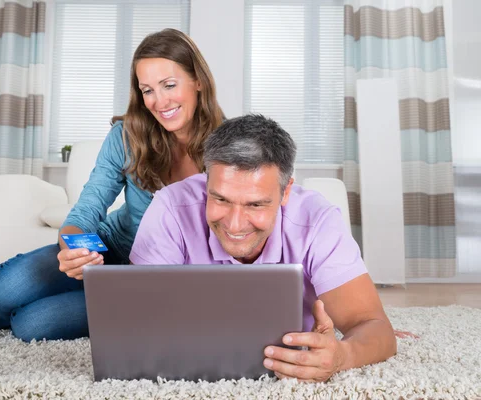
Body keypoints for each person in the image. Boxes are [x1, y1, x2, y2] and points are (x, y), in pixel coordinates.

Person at [0, 28, 225, 341]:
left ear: (197, 81)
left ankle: (11, 316)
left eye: (169, 85)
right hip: (108, 247)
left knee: (33, 325)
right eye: (148, 90)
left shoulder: (230, 148)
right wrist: (74, 250)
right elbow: (88, 208)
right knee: (6, 286)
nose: (159, 101)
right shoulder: (127, 136)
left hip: (149, 277)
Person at [129, 114, 397, 382]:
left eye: (255, 205)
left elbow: (375, 327)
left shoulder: (317, 221)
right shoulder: (169, 209)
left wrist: (343, 355)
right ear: (206, 180)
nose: (234, 224)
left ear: (286, 191)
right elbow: (137, 323)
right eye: (220, 199)